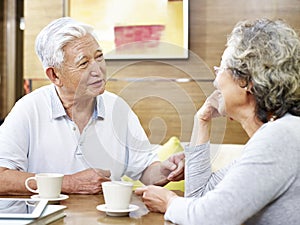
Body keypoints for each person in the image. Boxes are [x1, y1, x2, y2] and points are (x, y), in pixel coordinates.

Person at [135, 18, 300, 225]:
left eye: (221, 69)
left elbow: (210, 218)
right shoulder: (275, 135)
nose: (215, 81)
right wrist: (201, 120)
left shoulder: (280, 138)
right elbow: (199, 196)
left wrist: (169, 202)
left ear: (246, 80)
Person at [0, 17, 184, 195]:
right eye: (84, 63)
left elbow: (145, 170)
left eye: (99, 57)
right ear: (55, 75)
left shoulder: (117, 108)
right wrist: (69, 183)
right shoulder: (28, 109)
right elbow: (2, 178)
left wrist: (166, 171)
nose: (97, 70)